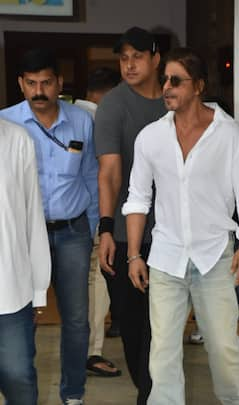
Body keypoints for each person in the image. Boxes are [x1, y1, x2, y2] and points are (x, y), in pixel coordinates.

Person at [123, 47, 239, 405]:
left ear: (198, 86)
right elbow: (138, 199)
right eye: (165, 80)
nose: (167, 87)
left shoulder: (230, 134)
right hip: (166, 257)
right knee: (162, 355)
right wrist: (134, 254)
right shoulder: (150, 137)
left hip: (216, 256)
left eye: (176, 81)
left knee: (224, 351)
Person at [0, 48, 98, 405]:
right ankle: (21, 386)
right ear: (20, 85)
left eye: (46, 82)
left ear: (59, 83)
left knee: (75, 319)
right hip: (23, 237)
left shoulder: (82, 121)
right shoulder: (6, 124)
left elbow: (91, 177)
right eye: (31, 83)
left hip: (72, 232)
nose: (38, 90)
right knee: (20, 313)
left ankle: (73, 393)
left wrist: (93, 231)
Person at [94, 26, 166, 404]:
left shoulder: (174, 99)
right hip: (125, 234)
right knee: (134, 324)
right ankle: (149, 391)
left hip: (171, 235)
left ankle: (154, 397)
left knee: (163, 328)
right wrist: (106, 229)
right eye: (123, 58)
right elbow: (109, 172)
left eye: (137, 56)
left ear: (156, 59)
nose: (129, 64)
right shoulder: (113, 105)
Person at [75, 67, 123, 378]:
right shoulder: (98, 122)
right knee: (95, 286)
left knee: (78, 290)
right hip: (94, 217)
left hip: (69, 219)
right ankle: (90, 353)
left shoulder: (68, 115)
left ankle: (82, 352)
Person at [0, 118, 52, 405]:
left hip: (10, 290)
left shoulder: (17, 139)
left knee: (19, 378)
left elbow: (33, 215)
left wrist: (38, 290)